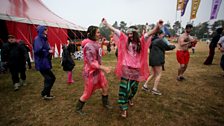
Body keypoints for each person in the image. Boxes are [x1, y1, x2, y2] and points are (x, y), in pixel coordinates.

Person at [102, 18, 163, 118]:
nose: (129, 35)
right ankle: (123, 107)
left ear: (135, 33)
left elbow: (149, 33)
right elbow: (115, 31)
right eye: (128, 33)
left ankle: (130, 98)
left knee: (133, 88)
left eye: (131, 34)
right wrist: (106, 24)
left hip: (136, 70)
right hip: (126, 68)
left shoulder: (141, 41)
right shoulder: (125, 40)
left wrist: (157, 27)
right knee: (124, 89)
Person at [75, 26, 112, 115]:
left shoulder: (96, 43)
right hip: (90, 73)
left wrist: (103, 49)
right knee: (88, 93)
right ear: (92, 34)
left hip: (98, 71)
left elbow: (100, 53)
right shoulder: (88, 46)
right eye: (98, 33)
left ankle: (105, 103)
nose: (99, 34)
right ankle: (78, 108)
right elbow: (91, 62)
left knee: (105, 86)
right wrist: (103, 68)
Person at [142, 30, 175, 95]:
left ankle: (145, 86)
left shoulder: (152, 41)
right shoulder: (159, 40)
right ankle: (154, 89)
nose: (163, 36)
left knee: (153, 74)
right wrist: (173, 46)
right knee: (158, 74)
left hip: (152, 59)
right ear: (159, 34)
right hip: (157, 60)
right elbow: (167, 47)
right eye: (162, 34)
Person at [33, 26, 56, 100]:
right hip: (41, 63)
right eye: (45, 29)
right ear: (41, 30)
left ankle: (46, 94)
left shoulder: (44, 38)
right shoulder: (38, 39)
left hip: (45, 62)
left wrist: (50, 49)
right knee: (49, 78)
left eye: (46, 29)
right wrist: (47, 51)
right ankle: (45, 94)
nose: (47, 30)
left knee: (51, 78)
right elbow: (37, 50)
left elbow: (45, 48)